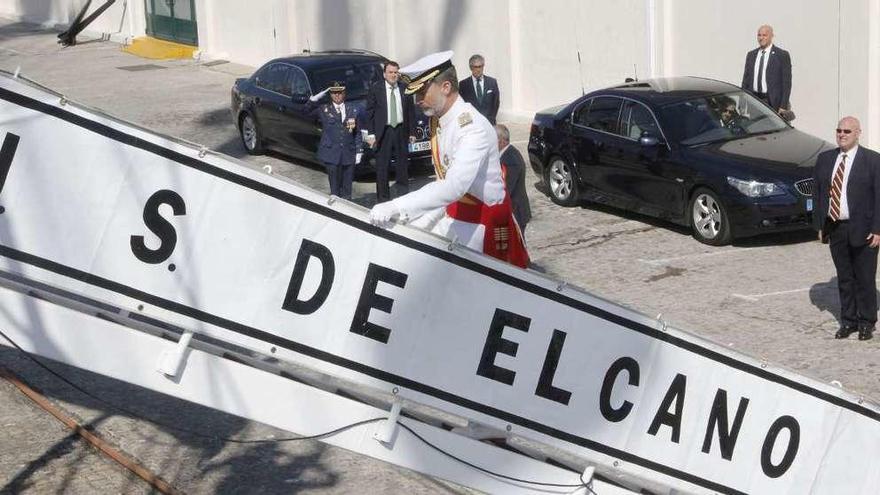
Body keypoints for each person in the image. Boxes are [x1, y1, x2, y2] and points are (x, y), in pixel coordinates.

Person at [369, 51, 529, 268]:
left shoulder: (472, 129)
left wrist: (397, 206)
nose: (417, 101)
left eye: (422, 92)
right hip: (458, 212)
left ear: (445, 87)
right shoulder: (441, 121)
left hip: (482, 226)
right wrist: (418, 222)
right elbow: (443, 187)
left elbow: (453, 186)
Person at [812, 116, 880, 341]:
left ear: (858, 133)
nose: (842, 134)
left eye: (847, 131)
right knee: (845, 277)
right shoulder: (825, 159)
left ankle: (866, 322)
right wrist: (820, 225)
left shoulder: (872, 161)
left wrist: (878, 229)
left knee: (865, 278)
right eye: (839, 130)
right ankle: (848, 320)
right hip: (836, 228)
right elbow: (819, 194)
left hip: (864, 229)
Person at [365, 61, 416, 201]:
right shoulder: (376, 89)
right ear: (384, 74)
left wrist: (412, 132)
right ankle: (383, 200)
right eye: (390, 72)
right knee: (382, 168)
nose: (393, 75)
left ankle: (403, 198)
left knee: (402, 167)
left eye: (395, 72)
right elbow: (370, 113)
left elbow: (411, 112)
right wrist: (371, 134)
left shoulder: (405, 88)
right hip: (384, 132)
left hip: (400, 130)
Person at [305, 81, 360, 199]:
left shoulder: (352, 109)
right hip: (331, 153)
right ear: (330, 94)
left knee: (347, 189)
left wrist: (359, 150)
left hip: (348, 153)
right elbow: (306, 113)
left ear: (344, 93)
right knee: (334, 190)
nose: (337, 95)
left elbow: (357, 132)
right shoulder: (324, 109)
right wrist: (312, 100)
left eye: (339, 92)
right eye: (334, 93)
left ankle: (347, 211)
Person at [741, 24, 792, 114]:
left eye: (764, 35)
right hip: (754, 100)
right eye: (759, 35)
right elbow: (746, 80)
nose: (761, 38)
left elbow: (786, 83)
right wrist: (743, 102)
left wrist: (783, 106)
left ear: (771, 36)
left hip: (772, 101)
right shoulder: (751, 55)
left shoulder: (781, 55)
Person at [495, 124, 531, 235]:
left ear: (501, 141)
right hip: (511, 211)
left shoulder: (510, 159)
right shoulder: (507, 154)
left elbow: (505, 188)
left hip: (515, 212)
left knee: (516, 249)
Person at [458, 54, 500, 125]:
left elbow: (496, 103)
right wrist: (467, 124)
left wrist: (491, 119)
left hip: (489, 122)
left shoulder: (492, 82)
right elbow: (462, 105)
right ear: (470, 67)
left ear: (483, 66)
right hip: (472, 124)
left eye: (480, 66)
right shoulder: (463, 85)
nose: (478, 70)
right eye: (475, 67)